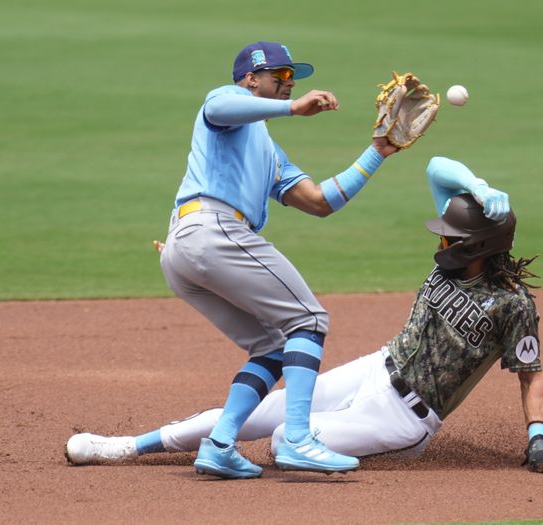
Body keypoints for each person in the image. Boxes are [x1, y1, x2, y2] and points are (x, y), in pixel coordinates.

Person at [65, 156, 543, 475]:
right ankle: (123, 447)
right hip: (374, 369)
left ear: (480, 246)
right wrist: (476, 181)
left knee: (284, 442)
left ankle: (249, 450)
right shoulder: (455, 260)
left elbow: (531, 376)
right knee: (257, 416)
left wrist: (539, 440)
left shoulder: (513, 306)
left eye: (451, 237)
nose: (440, 239)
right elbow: (435, 167)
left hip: (403, 419)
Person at [116, 41, 411, 479]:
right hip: (211, 233)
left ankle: (218, 444)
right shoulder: (224, 103)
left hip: (191, 246)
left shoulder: (270, 153)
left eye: (292, 79)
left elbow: (319, 202)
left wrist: (378, 151)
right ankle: (297, 437)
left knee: (272, 348)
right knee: (308, 321)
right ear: (251, 78)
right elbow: (223, 107)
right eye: (280, 77)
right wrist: (294, 108)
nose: (288, 85)